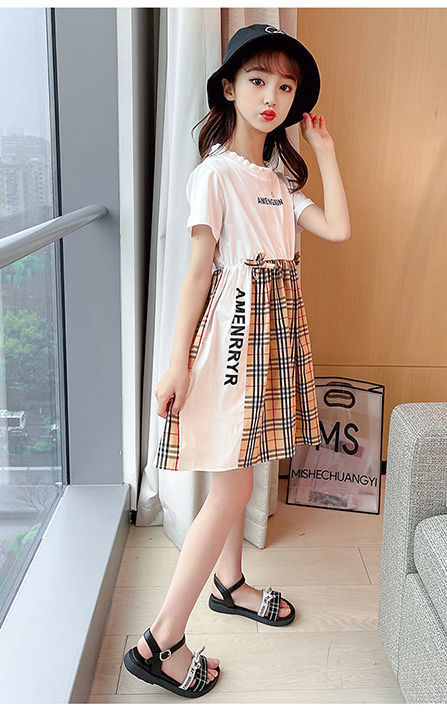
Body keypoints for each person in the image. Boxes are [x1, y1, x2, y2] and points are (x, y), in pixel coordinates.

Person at [123, 23, 350, 699]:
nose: (272, 97)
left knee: (244, 464)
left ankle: (229, 585)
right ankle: (159, 641)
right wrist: (176, 363)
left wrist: (325, 152)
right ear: (228, 89)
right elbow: (198, 273)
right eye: (257, 81)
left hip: (277, 333)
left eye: (286, 86)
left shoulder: (277, 178)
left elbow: (338, 229)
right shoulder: (216, 174)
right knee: (232, 487)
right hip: (235, 332)